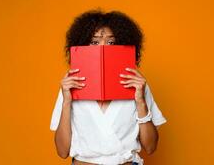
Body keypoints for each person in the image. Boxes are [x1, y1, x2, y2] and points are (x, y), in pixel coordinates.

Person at [50, 9, 167, 165]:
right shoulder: (70, 86)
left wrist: (140, 101)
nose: (103, 48)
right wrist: (66, 102)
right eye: (94, 42)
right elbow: (62, 151)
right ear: (82, 44)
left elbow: (151, 147)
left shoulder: (137, 84)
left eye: (111, 42)